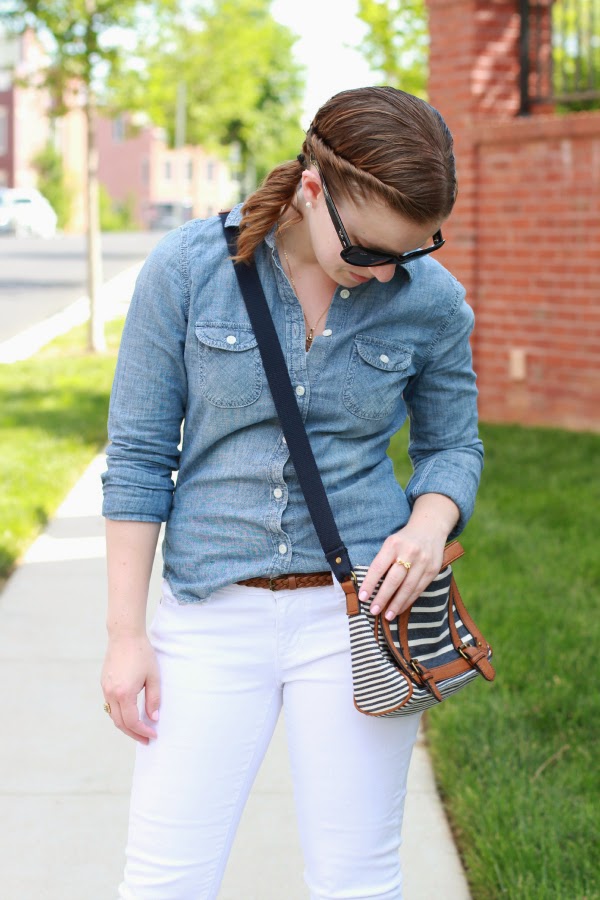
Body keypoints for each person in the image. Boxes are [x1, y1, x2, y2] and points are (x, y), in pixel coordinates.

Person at [100, 85, 484, 900]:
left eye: (411, 254)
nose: (388, 272)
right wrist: (125, 634)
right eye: (370, 249)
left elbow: (453, 446)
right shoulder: (189, 270)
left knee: (357, 880)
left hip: (357, 619)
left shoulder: (433, 302)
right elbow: (137, 457)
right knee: (165, 880)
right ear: (314, 190)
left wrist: (428, 521)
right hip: (210, 613)